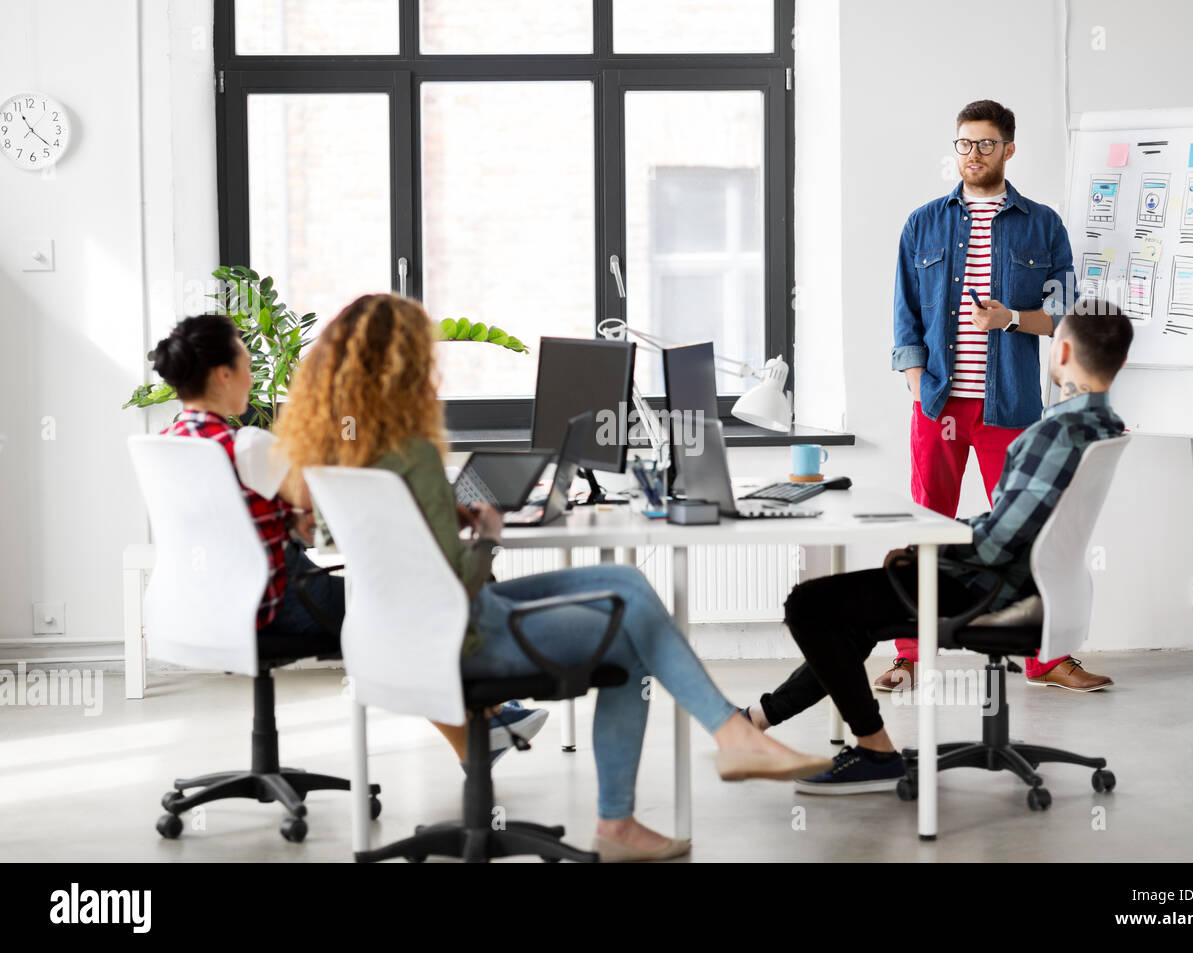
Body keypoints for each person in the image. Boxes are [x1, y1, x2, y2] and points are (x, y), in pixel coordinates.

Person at [275, 293, 832, 861]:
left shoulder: (332, 450)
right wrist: (488, 533)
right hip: (462, 638)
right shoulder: (411, 452)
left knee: (627, 585)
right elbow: (461, 582)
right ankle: (644, 806)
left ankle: (732, 736)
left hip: (383, 640)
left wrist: (441, 509)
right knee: (627, 643)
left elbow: (344, 543)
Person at [742, 300, 1132, 794]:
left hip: (987, 590)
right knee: (853, 615)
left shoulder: (1053, 432)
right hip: (1037, 586)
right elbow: (1012, 522)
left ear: (1065, 351)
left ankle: (875, 752)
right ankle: (758, 718)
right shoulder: (1103, 425)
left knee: (810, 604)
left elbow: (998, 542)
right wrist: (938, 536)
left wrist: (924, 551)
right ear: (1118, 363)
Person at [150, 314, 548, 764]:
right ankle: (483, 731)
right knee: (403, 611)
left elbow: (245, 517)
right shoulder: (245, 445)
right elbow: (320, 494)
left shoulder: (172, 440)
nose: (250, 372)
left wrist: (289, 516)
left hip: (210, 602)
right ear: (223, 374)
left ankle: (489, 724)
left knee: (404, 604)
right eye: (244, 360)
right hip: (278, 604)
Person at [885, 99, 1112, 692]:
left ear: (1009, 149)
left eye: (986, 144)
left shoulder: (1042, 225)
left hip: (1007, 403)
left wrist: (1011, 317)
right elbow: (905, 317)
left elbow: (1064, 314)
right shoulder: (923, 223)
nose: (973, 155)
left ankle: (1046, 658)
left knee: (1028, 532)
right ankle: (909, 653)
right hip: (938, 404)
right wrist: (916, 387)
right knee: (927, 525)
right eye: (964, 143)